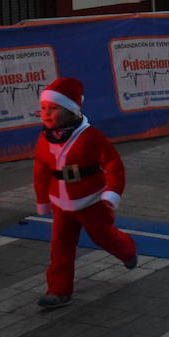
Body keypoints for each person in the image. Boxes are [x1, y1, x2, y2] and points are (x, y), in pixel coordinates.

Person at [32, 77, 139, 309]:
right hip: (61, 204)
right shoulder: (44, 138)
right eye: (43, 108)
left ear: (71, 111)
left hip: (91, 201)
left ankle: (127, 249)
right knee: (60, 247)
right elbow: (40, 169)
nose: (47, 114)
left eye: (54, 108)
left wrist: (112, 193)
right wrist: (42, 199)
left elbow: (113, 165)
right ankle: (58, 291)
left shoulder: (90, 137)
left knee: (104, 237)